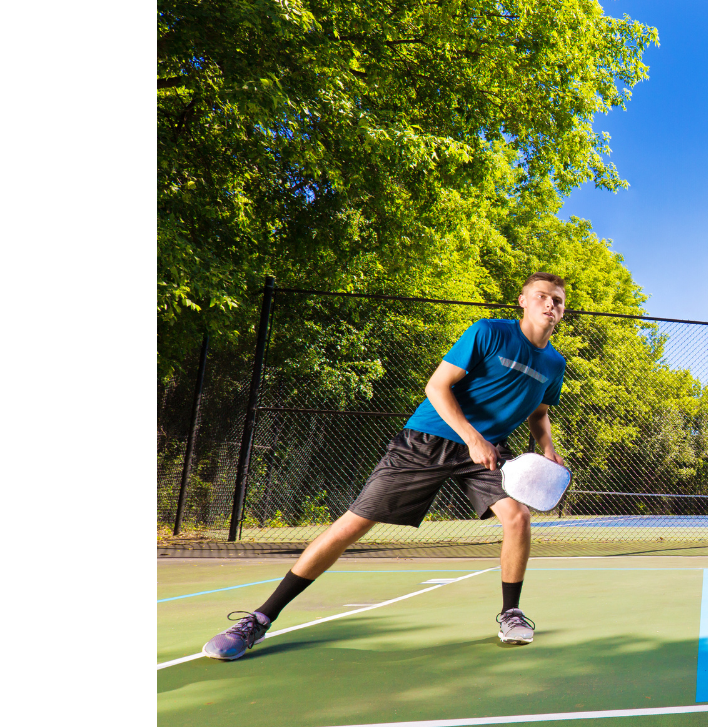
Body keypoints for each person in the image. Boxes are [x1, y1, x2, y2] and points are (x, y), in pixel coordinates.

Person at [203, 273, 571, 660]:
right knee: (353, 525)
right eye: (541, 296)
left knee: (518, 518)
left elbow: (539, 411)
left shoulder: (554, 363)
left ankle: (511, 613)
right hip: (429, 438)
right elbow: (436, 387)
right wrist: (471, 437)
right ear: (523, 301)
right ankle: (259, 619)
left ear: (562, 311)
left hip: (487, 451)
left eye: (558, 300)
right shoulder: (488, 332)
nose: (550, 304)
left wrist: (547, 446)